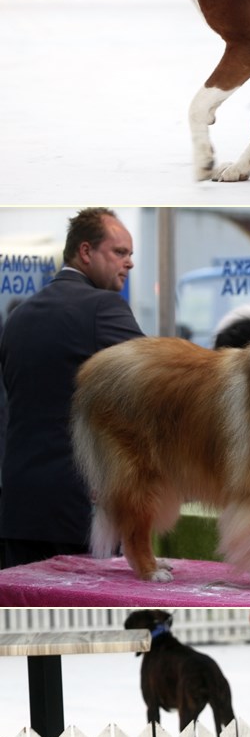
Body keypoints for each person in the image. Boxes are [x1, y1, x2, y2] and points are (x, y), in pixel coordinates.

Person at [0, 203, 135, 563]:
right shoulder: (103, 308)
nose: (129, 263)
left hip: (18, 511)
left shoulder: (17, 318)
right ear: (85, 252)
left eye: (131, 254)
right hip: (78, 512)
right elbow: (154, 382)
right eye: (120, 252)